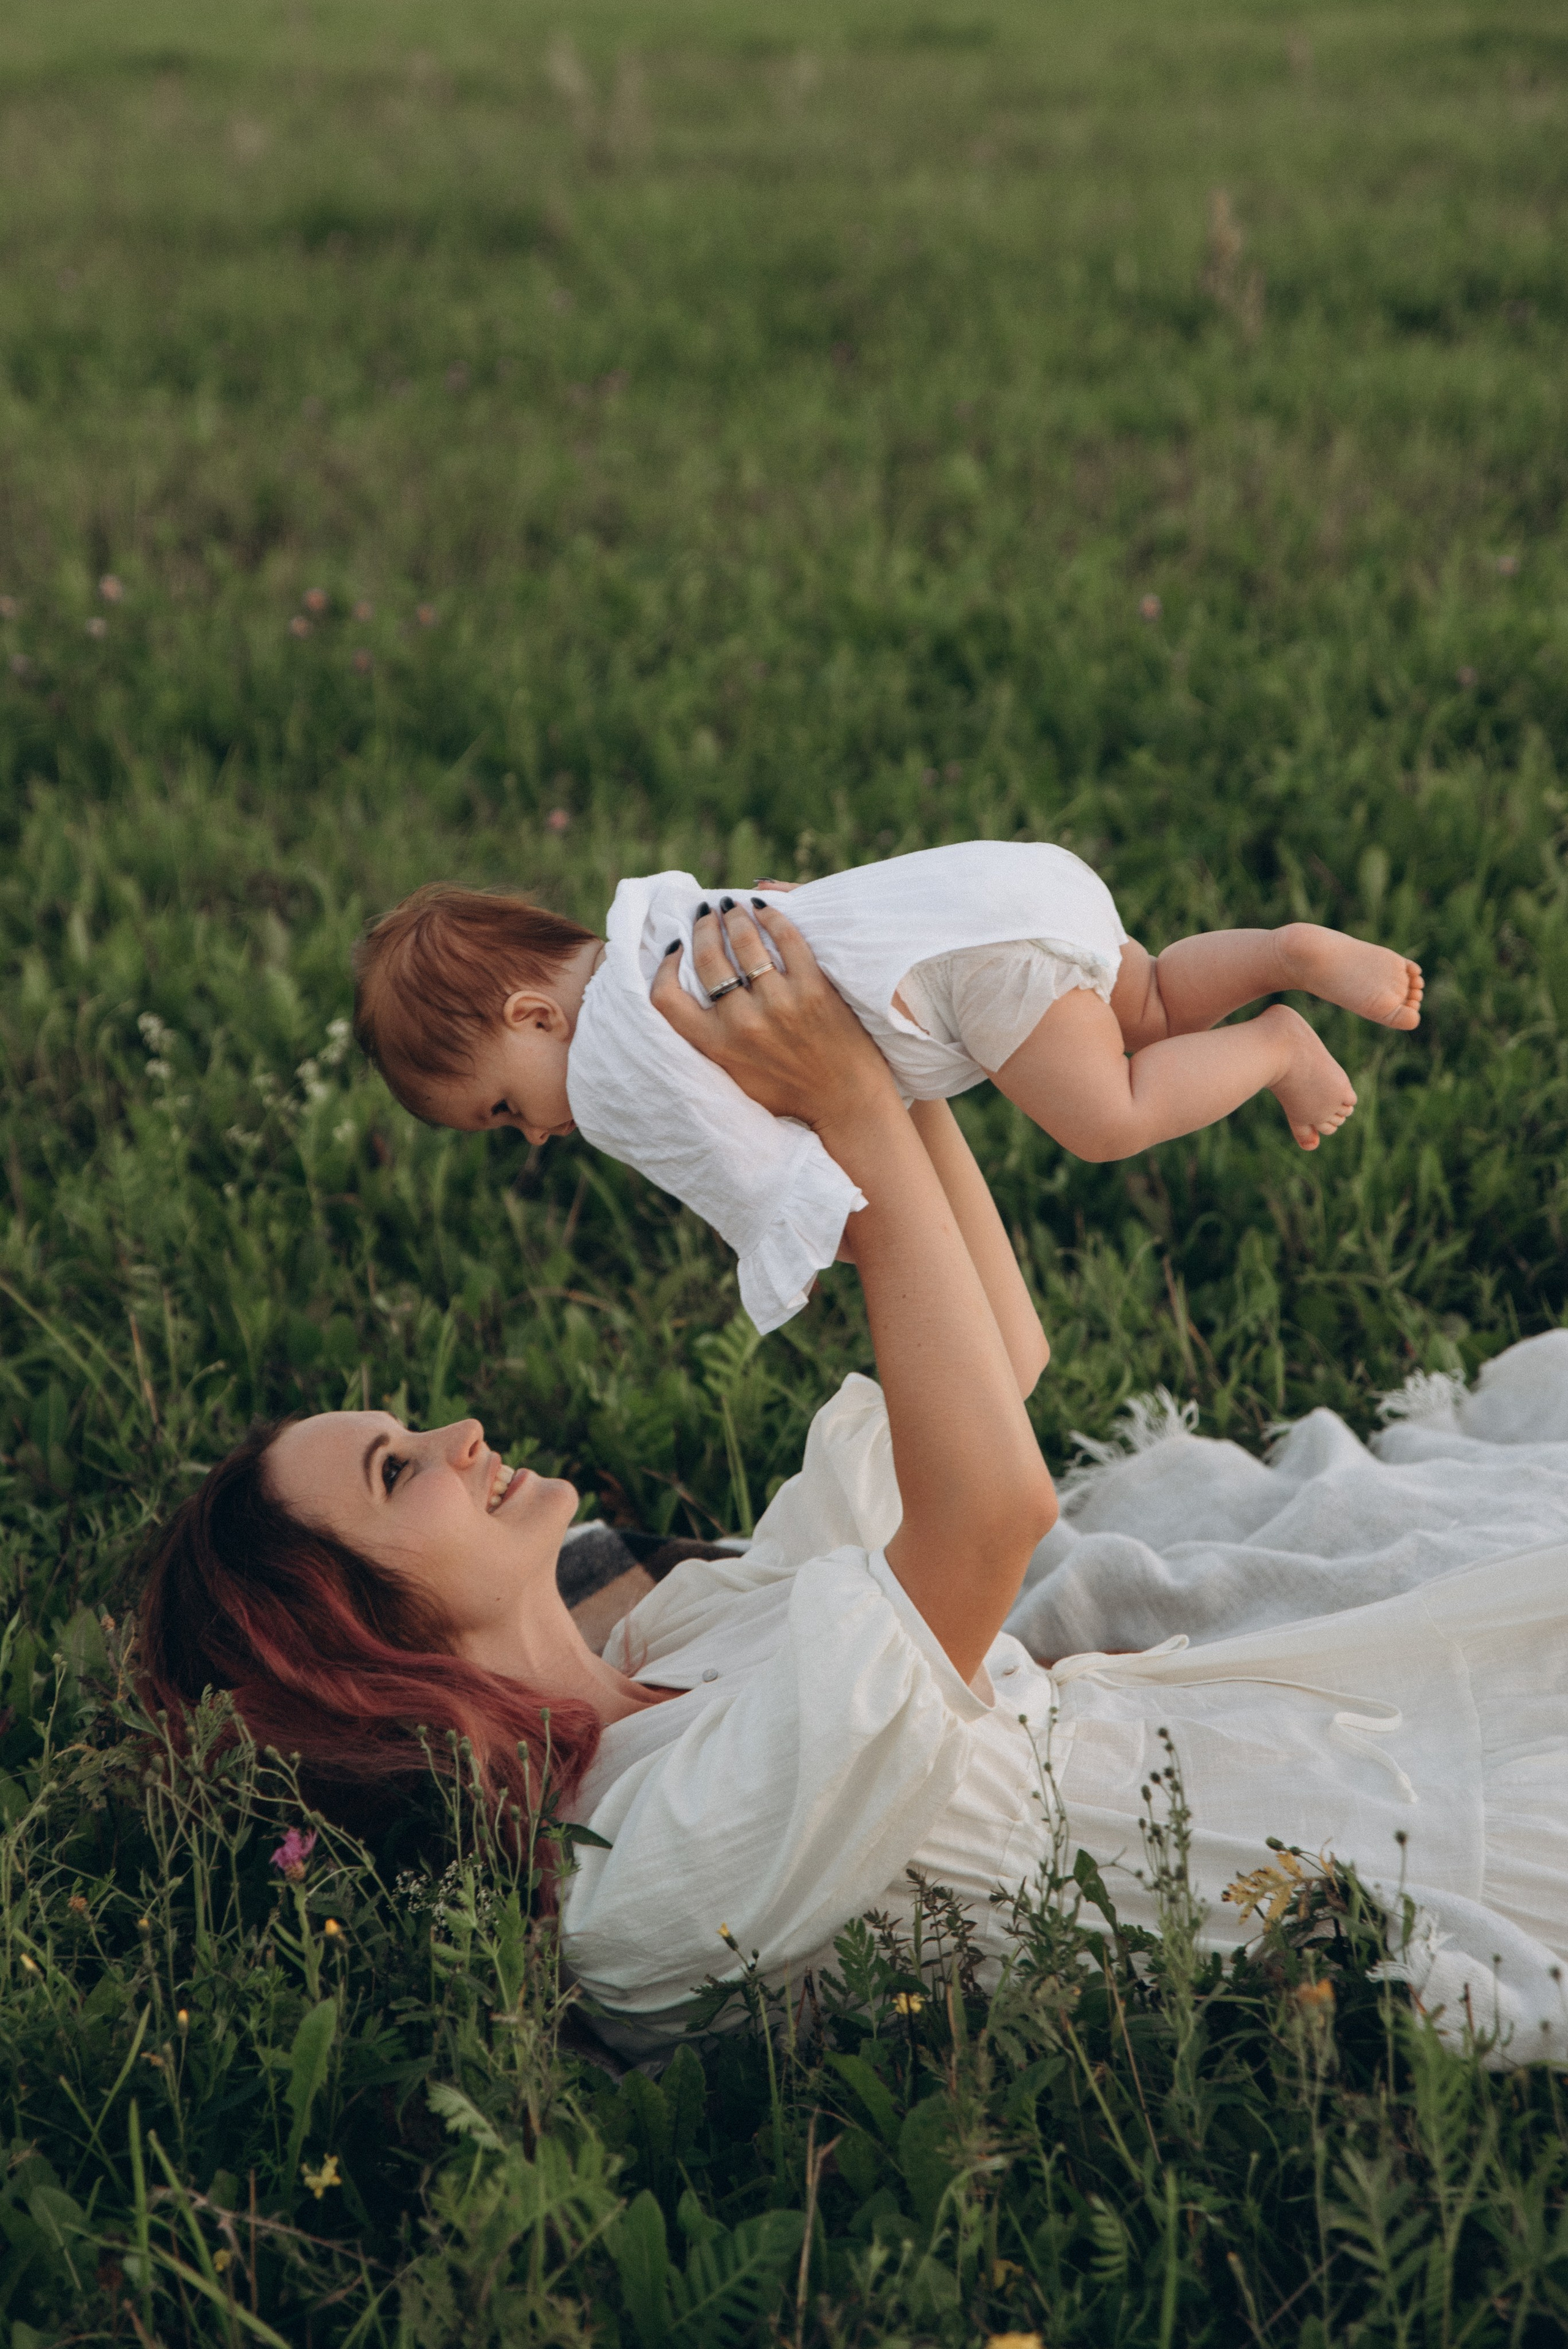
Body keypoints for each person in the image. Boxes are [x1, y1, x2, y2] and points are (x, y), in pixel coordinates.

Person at [143, 905, 1563, 2064]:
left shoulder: (662, 1642)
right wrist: (852, 1128)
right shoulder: (633, 1875)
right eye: (399, 1469)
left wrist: (885, 1057)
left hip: (1282, 1740)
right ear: (356, 1642)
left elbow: (996, 1365)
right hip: (1288, 1876)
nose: (460, 1430)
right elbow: (989, 1520)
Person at [349, 842, 1423, 1333]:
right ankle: (1283, 951)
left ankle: (1280, 1041)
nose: (533, 1136)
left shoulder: (615, 1061)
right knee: (1145, 1004)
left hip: (969, 978)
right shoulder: (656, 920)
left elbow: (732, 1162)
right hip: (1009, 887)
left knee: (1110, 1117)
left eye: (502, 1111)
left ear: (534, 1019)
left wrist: (809, 1244)